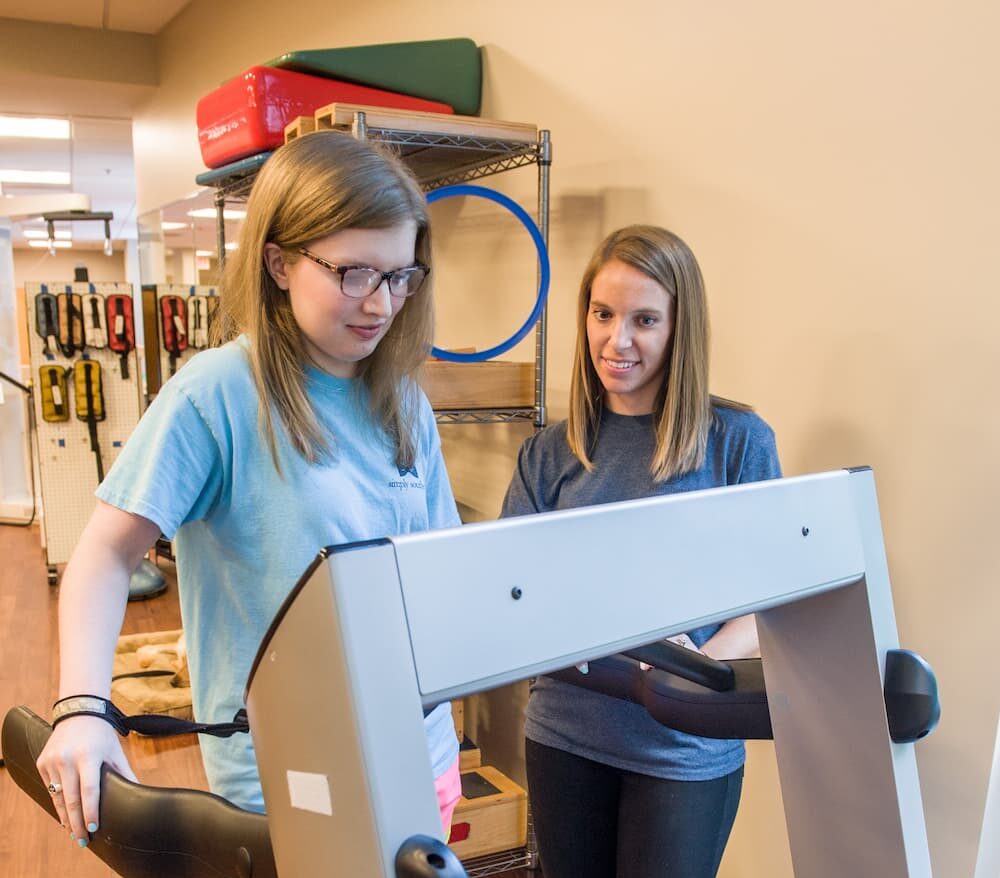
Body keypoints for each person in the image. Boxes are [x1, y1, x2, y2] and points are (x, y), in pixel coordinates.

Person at [36, 130, 462, 848]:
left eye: (399, 276)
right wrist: (83, 706)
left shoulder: (403, 398)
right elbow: (105, 556)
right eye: (354, 272)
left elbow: (438, 563)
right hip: (291, 782)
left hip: (421, 755)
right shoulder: (218, 396)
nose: (381, 303)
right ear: (280, 262)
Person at [501, 225, 782, 878]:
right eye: (603, 314)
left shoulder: (737, 443)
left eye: (644, 319)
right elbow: (509, 591)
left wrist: (698, 668)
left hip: (683, 747)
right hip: (565, 735)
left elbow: (771, 604)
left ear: (680, 329)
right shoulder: (550, 453)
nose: (616, 340)